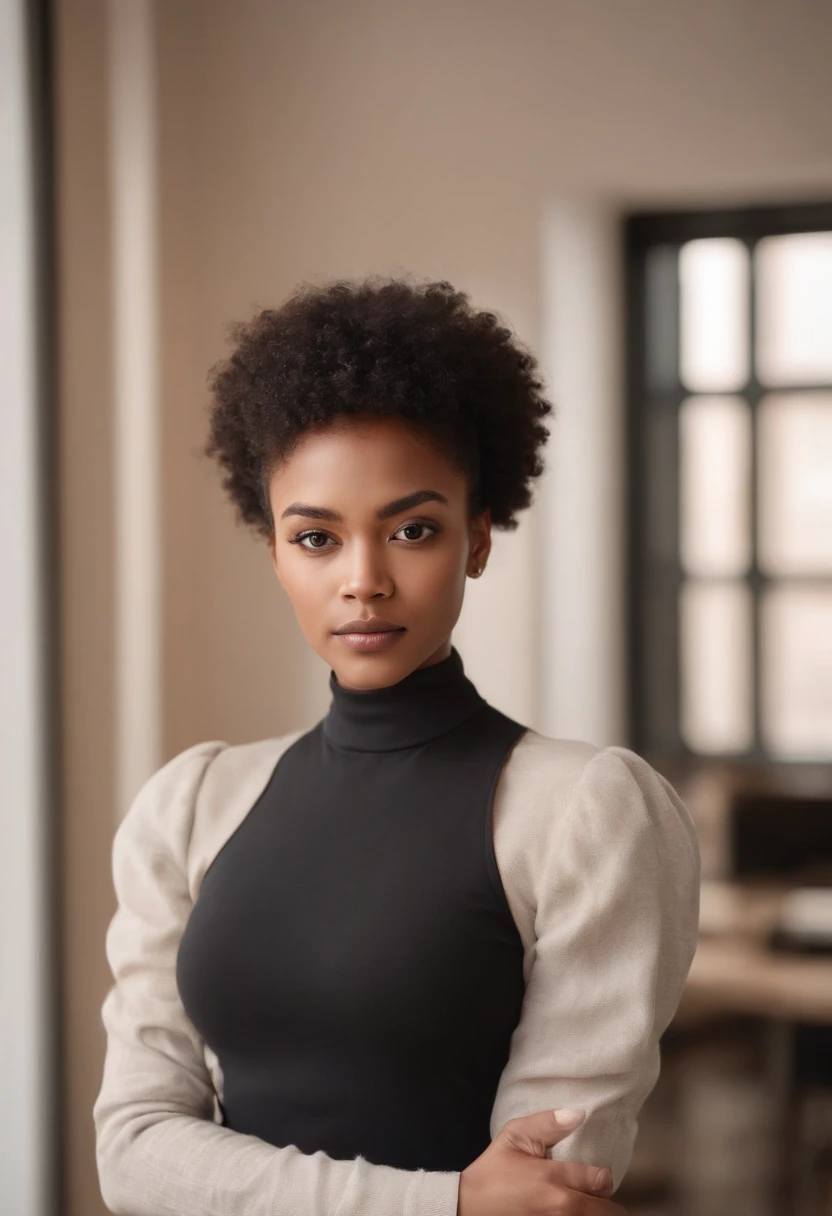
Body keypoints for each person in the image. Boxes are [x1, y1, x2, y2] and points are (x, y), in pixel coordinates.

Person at [92, 274, 701, 1216]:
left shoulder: (586, 810)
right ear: (275, 553)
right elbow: (132, 1156)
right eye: (317, 538)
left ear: (480, 538)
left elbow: (540, 1194)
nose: (364, 581)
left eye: (412, 530)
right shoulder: (191, 804)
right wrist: (445, 1201)